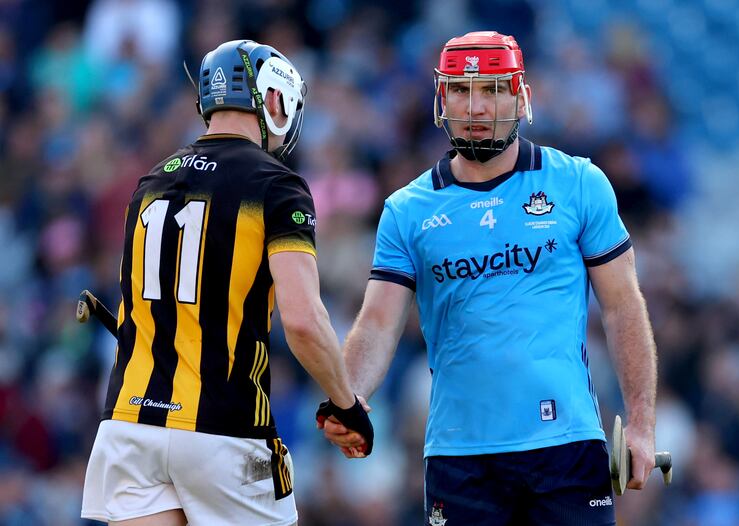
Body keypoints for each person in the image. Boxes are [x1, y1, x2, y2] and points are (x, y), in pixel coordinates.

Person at [321, 31, 658, 525]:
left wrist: (642, 426)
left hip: (566, 448)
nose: (476, 106)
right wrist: (347, 400)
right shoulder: (407, 210)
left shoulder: (579, 183)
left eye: (493, 89)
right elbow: (376, 323)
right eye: (461, 89)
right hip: (461, 459)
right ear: (442, 98)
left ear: (520, 96)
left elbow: (624, 305)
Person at [81, 39, 373, 526]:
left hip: (130, 423)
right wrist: (346, 403)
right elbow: (302, 321)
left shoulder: (150, 181)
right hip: (224, 430)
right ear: (274, 100)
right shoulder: (276, 184)